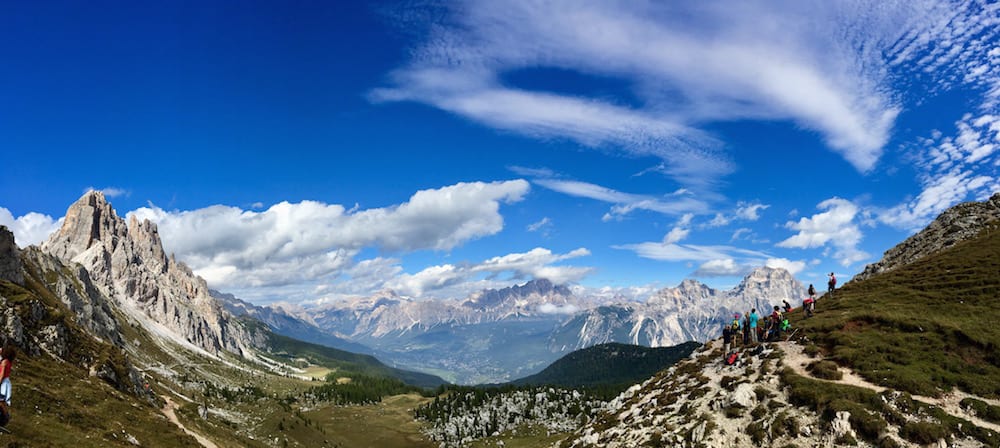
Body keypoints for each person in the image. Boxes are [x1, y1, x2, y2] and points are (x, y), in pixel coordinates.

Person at [0, 343, 15, 427]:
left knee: (1, 401)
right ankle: (4, 417)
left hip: (3, 382)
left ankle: (5, 418)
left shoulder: (4, 362)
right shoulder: (7, 361)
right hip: (5, 382)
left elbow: (2, 374)